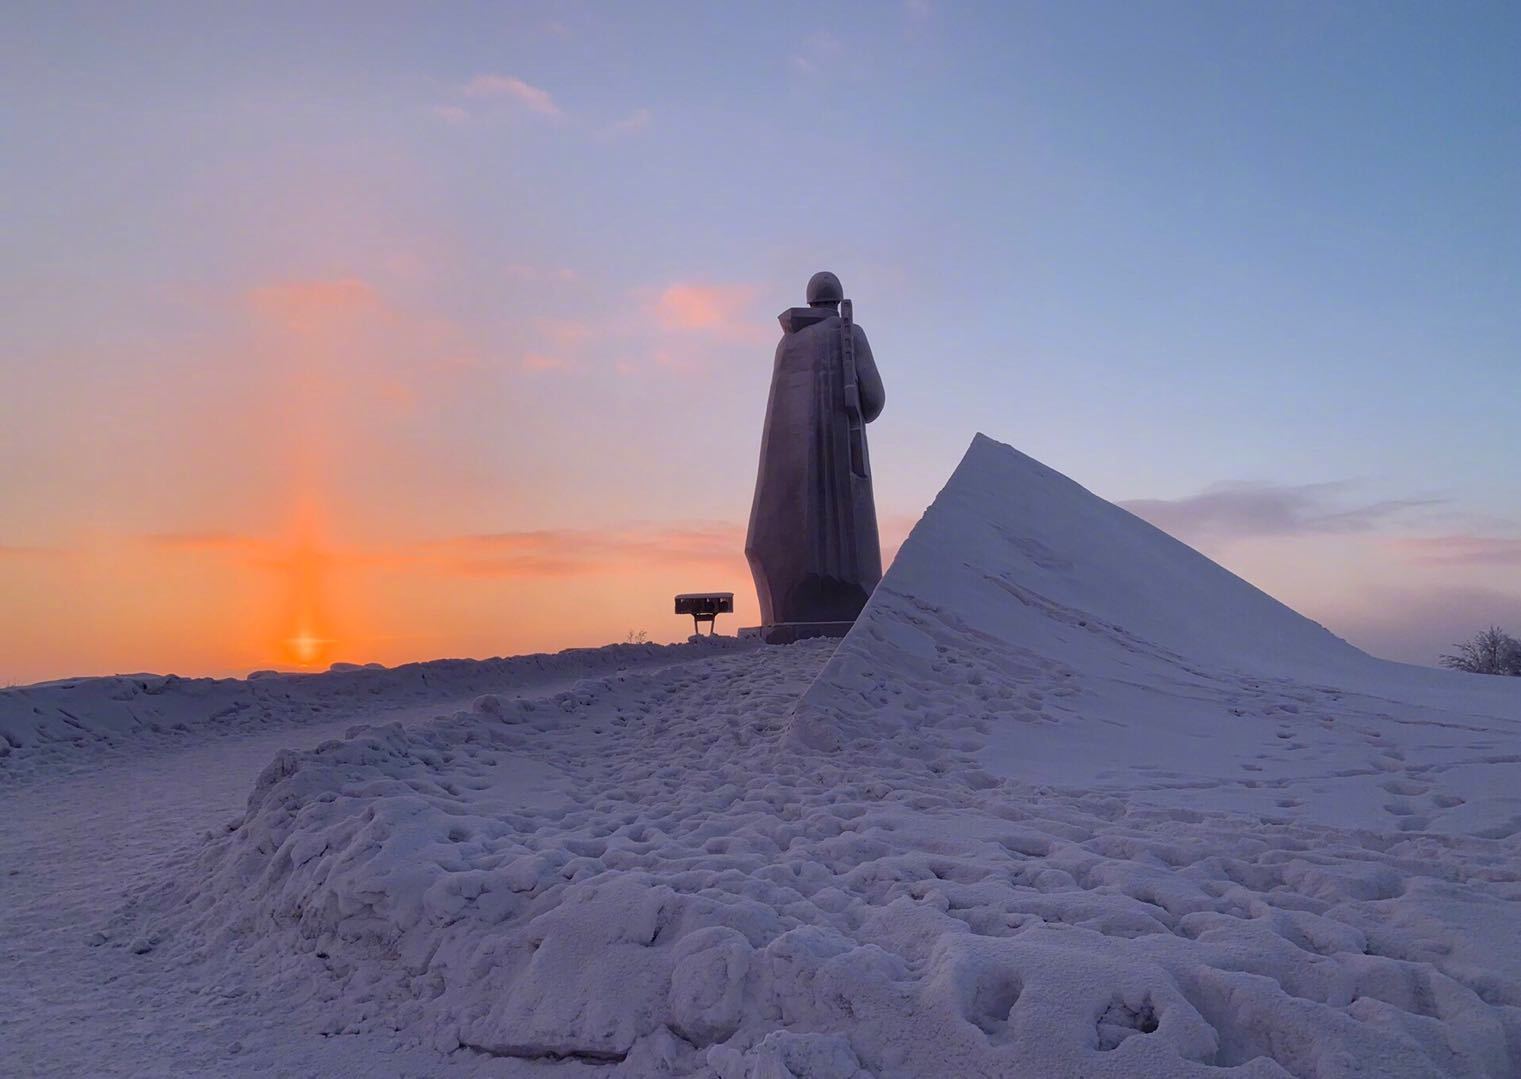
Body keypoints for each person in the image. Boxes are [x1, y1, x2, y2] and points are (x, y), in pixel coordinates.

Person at [745, 271, 886, 633]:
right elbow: (873, 401)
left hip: (791, 482)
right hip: (844, 463)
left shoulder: (788, 344)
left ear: (809, 300)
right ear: (837, 300)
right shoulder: (848, 334)